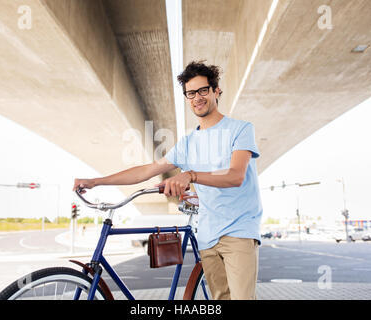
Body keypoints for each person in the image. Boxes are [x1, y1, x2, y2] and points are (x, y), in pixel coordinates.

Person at [73, 61, 263, 300]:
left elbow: (236, 175)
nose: (197, 98)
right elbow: (147, 170)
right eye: (190, 93)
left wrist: (190, 175)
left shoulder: (240, 129)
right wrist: (96, 181)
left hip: (239, 230)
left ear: (216, 91)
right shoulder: (187, 143)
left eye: (203, 90)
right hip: (206, 234)